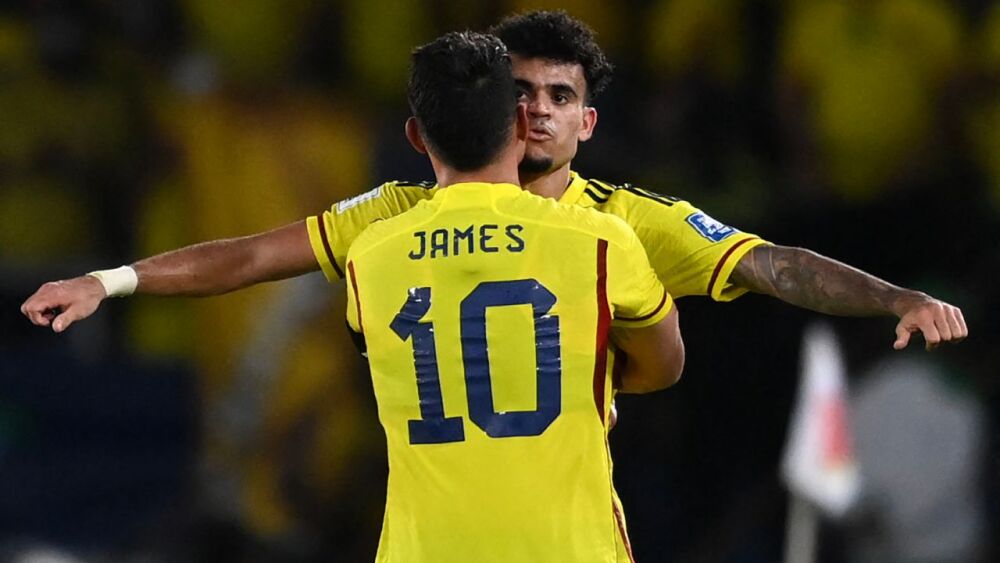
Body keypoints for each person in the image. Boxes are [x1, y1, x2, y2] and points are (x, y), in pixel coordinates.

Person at [345, 31, 681, 561]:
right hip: (566, 548)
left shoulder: (369, 255)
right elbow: (666, 365)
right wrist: (591, 386)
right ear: (522, 125)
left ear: (416, 136)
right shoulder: (597, 240)